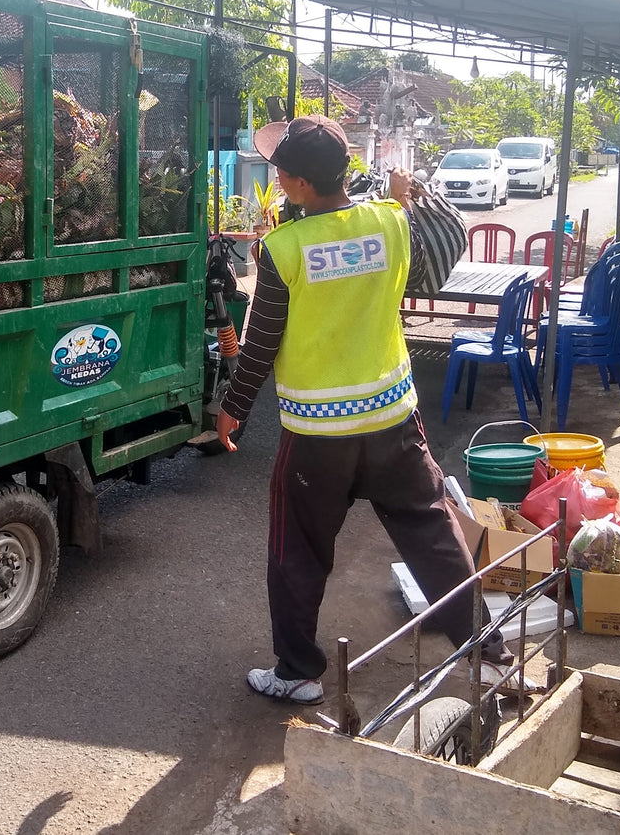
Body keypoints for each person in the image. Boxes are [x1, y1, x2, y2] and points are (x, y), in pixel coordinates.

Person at [217, 115, 532, 706]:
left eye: (281, 171)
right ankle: (489, 657)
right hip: (393, 422)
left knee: (297, 552)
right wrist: (398, 196)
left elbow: (262, 340)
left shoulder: (282, 249)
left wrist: (233, 406)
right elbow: (393, 223)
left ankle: (298, 672)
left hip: (317, 435)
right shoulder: (391, 222)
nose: (277, 177)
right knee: (434, 538)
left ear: (299, 185)